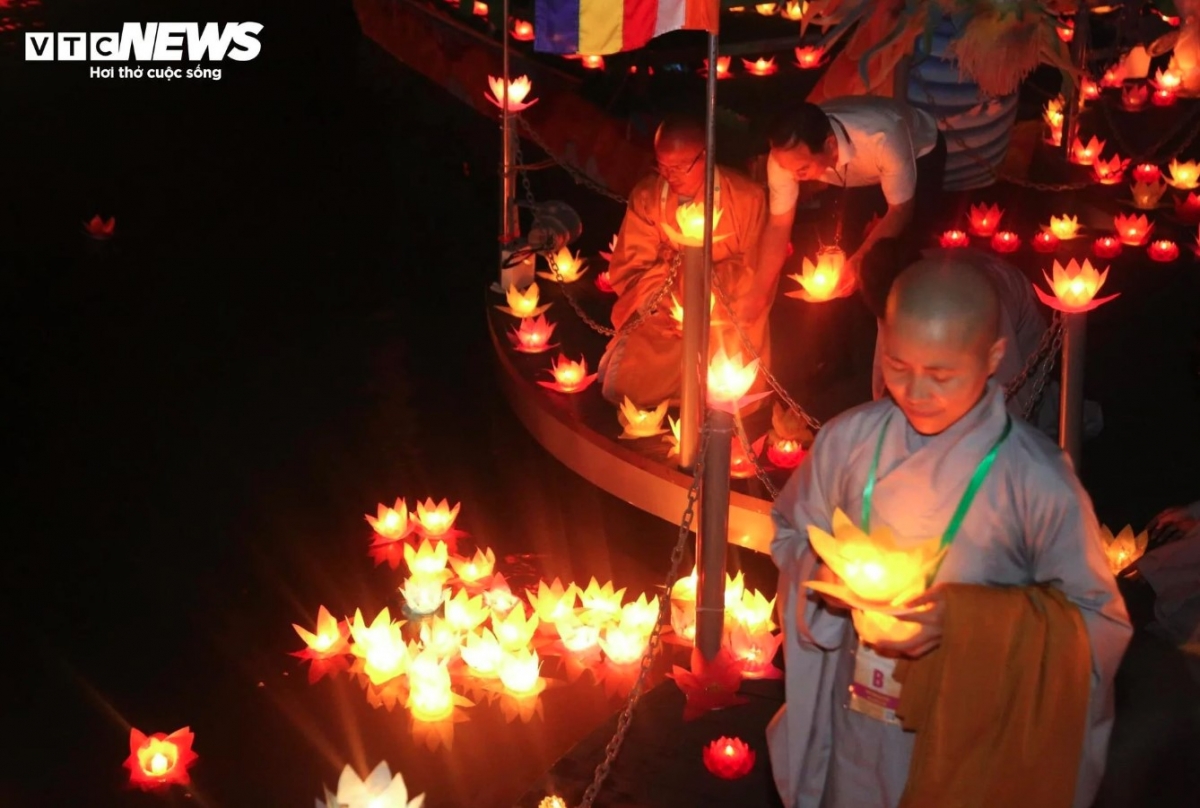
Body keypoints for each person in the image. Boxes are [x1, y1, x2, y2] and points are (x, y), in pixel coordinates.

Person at [767, 255, 1132, 807]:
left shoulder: (1032, 477)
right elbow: (791, 532)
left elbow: (1097, 624)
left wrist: (963, 623)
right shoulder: (847, 442)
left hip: (965, 735)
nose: (915, 391)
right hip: (856, 719)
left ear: (993, 357)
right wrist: (821, 579)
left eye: (941, 374)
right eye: (897, 364)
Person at [598, 113, 771, 408]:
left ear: (706, 155)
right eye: (662, 167)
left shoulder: (747, 198)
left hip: (726, 314)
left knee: (728, 385)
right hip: (663, 313)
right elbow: (631, 267)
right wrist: (672, 303)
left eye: (679, 167)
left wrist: (704, 300)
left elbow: (755, 270)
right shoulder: (647, 197)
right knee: (632, 386)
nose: (670, 176)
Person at [755, 97, 946, 302]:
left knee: (900, 252)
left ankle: (911, 312)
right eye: (787, 169)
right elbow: (778, 226)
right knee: (851, 246)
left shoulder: (883, 136)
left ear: (829, 145)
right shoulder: (786, 158)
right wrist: (757, 293)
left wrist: (858, 262)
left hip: (920, 152)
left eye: (802, 170)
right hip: (855, 170)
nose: (792, 177)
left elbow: (900, 210)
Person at [861, 240, 1050, 422]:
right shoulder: (891, 284)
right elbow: (886, 362)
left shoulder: (984, 302)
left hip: (1018, 334)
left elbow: (1009, 394)